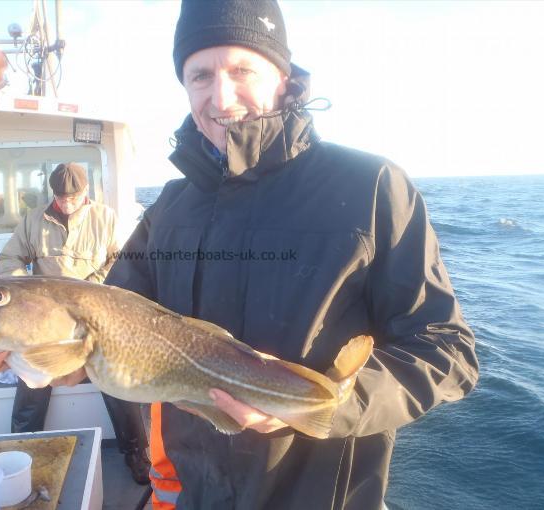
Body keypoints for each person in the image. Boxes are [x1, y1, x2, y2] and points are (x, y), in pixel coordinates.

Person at [87, 1, 481, 508]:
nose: (220, 96)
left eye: (242, 69)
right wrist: (30, 340)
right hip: (196, 493)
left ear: (283, 76)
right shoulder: (169, 206)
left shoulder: (372, 187)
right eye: (200, 75)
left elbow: (448, 351)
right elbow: (107, 314)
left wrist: (318, 403)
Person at [0, 162, 151, 485]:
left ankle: (136, 453)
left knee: (115, 380)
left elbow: (122, 258)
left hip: (95, 316)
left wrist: (91, 284)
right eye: (60, 196)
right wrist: (25, 291)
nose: (66, 202)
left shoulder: (105, 218)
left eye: (72, 197)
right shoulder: (33, 220)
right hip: (46, 321)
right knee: (31, 381)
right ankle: (23, 450)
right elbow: (10, 259)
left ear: (85, 193)